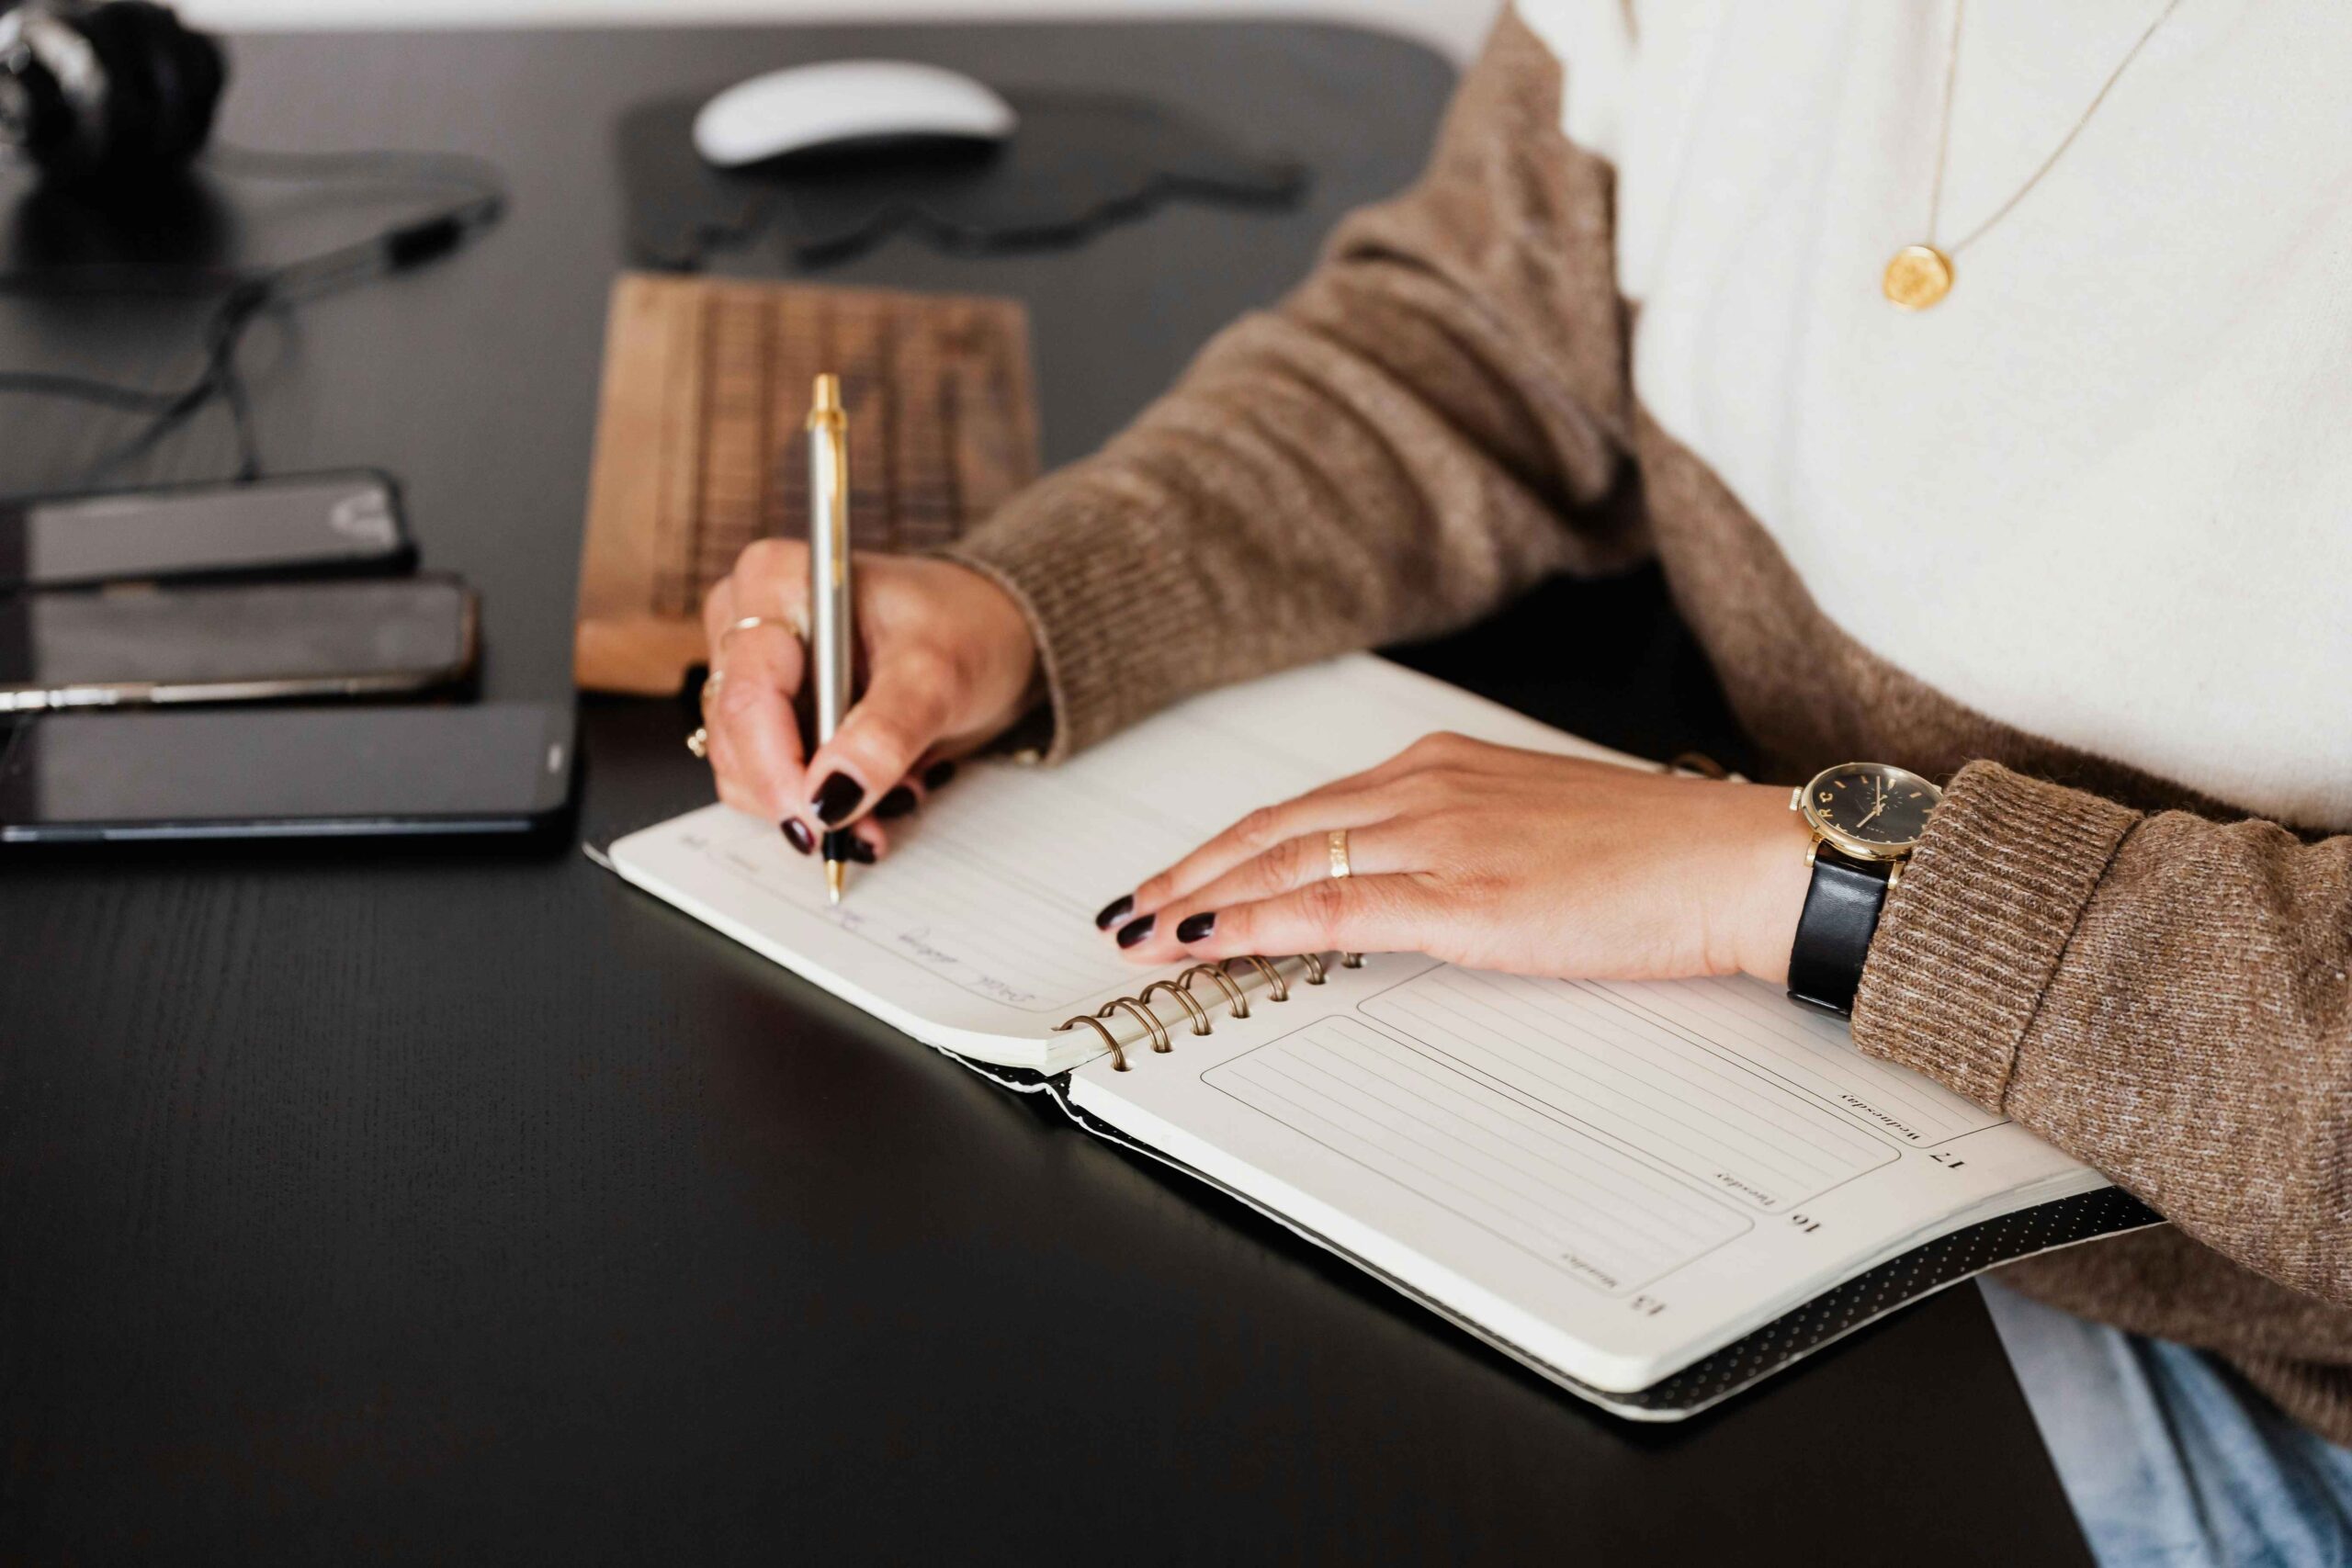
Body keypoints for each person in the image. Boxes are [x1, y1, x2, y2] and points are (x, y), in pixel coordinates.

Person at [692, 5, 2352, 1561]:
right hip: (1810, 1129)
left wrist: (1818, 881)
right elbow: (1485, 338)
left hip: (2257, 1373)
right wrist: (1029, 603)